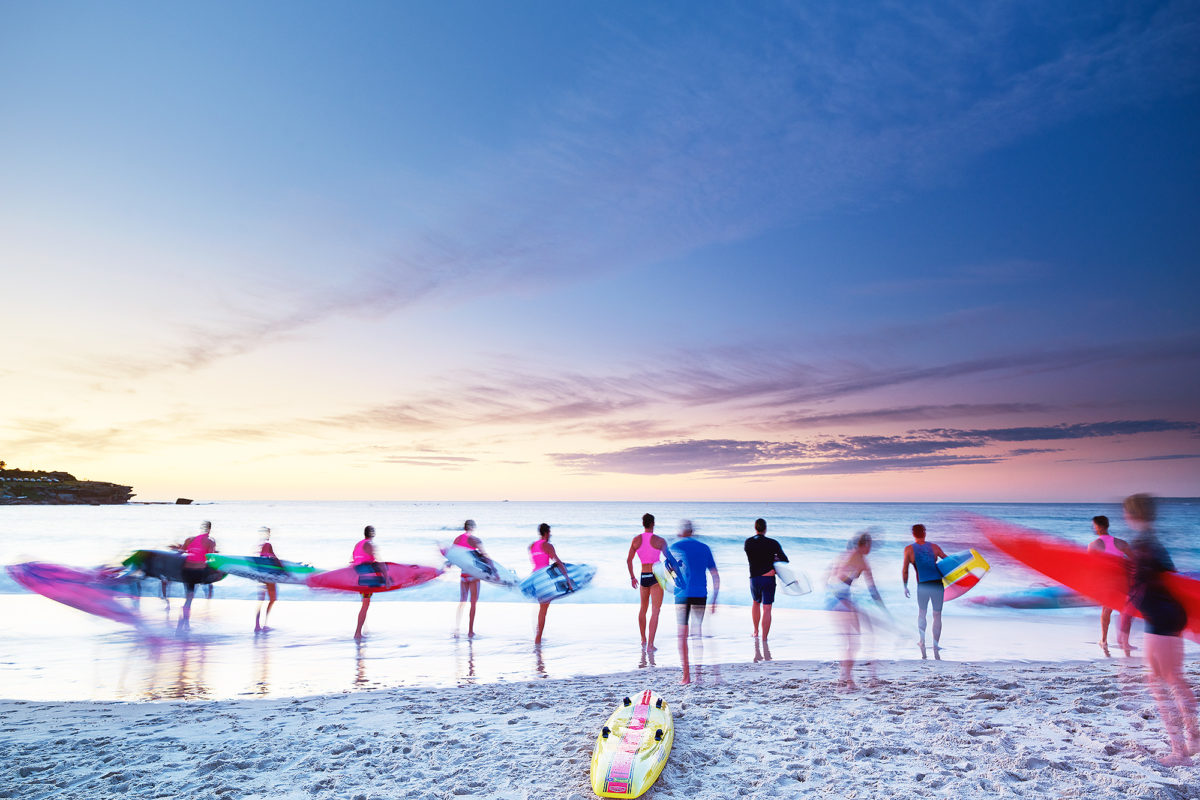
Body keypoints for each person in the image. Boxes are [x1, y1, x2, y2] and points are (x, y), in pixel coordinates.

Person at [1116, 494, 1199, 766]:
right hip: (1171, 616)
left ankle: (1179, 751)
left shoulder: (1141, 546)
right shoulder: (1155, 544)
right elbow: (1173, 581)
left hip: (1159, 621)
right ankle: (1194, 737)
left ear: (1132, 514)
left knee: (1158, 683)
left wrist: (1124, 625)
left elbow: (1135, 590)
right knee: (1174, 679)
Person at [827, 531, 886, 690]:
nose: (871, 549)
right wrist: (883, 608)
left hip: (834, 600)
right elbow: (872, 590)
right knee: (853, 642)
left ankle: (845, 676)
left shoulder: (845, 555)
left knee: (851, 641)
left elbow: (829, 578)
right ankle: (849, 680)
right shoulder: (860, 560)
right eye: (870, 545)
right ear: (865, 545)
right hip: (841, 601)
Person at [669, 520, 718, 685]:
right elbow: (715, 575)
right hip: (700, 594)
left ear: (682, 532)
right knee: (696, 634)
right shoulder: (704, 548)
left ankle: (686, 677)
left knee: (682, 636)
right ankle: (698, 675)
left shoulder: (675, 547)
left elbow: (668, 573)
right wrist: (715, 599)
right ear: (692, 532)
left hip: (682, 595)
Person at [626, 512, 671, 651]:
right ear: (653, 524)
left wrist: (632, 577)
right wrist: (675, 576)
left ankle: (643, 640)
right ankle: (650, 645)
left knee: (643, 609)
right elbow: (669, 560)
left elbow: (629, 560)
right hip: (656, 576)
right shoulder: (660, 541)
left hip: (643, 576)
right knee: (655, 611)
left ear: (643, 524)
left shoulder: (636, 540)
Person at [901, 523, 947, 658]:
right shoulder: (934, 547)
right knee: (937, 615)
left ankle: (922, 641)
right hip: (938, 584)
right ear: (924, 533)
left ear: (913, 534)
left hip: (923, 585)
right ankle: (935, 644)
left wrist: (905, 585)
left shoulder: (909, 549)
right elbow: (948, 562)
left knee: (922, 613)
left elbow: (905, 570)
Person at [1087, 514, 1131, 652]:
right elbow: (1136, 561)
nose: (1093, 528)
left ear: (1099, 527)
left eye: (1094, 526)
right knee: (1126, 611)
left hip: (1107, 581)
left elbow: (1090, 566)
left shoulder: (1094, 545)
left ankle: (1104, 640)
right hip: (1123, 581)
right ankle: (1125, 642)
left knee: (1106, 610)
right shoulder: (1121, 543)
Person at [744, 518, 788, 641]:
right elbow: (785, 559)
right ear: (765, 529)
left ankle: (756, 631)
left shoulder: (748, 542)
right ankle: (764, 638)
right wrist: (774, 558)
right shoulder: (773, 543)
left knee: (755, 603)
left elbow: (752, 556)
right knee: (767, 608)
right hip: (768, 579)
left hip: (754, 579)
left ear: (755, 528)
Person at [530, 523, 573, 644]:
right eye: (549, 533)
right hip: (544, 579)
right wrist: (568, 580)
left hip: (535, 578)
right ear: (546, 533)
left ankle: (538, 636)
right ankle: (538, 639)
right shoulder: (548, 545)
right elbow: (558, 562)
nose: (550, 535)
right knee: (543, 610)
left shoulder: (532, 546)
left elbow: (536, 562)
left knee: (541, 608)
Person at [454, 519, 490, 638]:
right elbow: (484, 556)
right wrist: (493, 570)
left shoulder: (458, 539)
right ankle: (470, 631)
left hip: (464, 574)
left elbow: (453, 556)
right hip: (473, 575)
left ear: (464, 527)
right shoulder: (475, 540)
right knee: (473, 603)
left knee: (462, 602)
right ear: (473, 527)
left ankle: (457, 630)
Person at [178, 521, 216, 632]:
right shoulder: (211, 541)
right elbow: (210, 559)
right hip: (198, 573)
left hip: (186, 571)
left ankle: (186, 622)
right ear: (209, 529)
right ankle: (184, 622)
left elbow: (180, 553)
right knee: (190, 598)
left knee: (189, 597)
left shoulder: (189, 539)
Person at [352, 525, 388, 639]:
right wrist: (387, 579)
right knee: (365, 605)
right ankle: (358, 633)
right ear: (373, 534)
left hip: (359, 577)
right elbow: (380, 563)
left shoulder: (358, 544)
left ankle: (364, 629)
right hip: (367, 578)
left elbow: (354, 560)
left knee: (365, 604)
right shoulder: (369, 545)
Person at [255, 526, 280, 633]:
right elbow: (273, 558)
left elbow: (261, 559)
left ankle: (257, 625)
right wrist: (284, 568)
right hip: (268, 575)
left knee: (262, 600)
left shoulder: (260, 545)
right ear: (268, 534)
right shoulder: (268, 545)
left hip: (261, 576)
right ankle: (264, 624)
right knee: (273, 598)